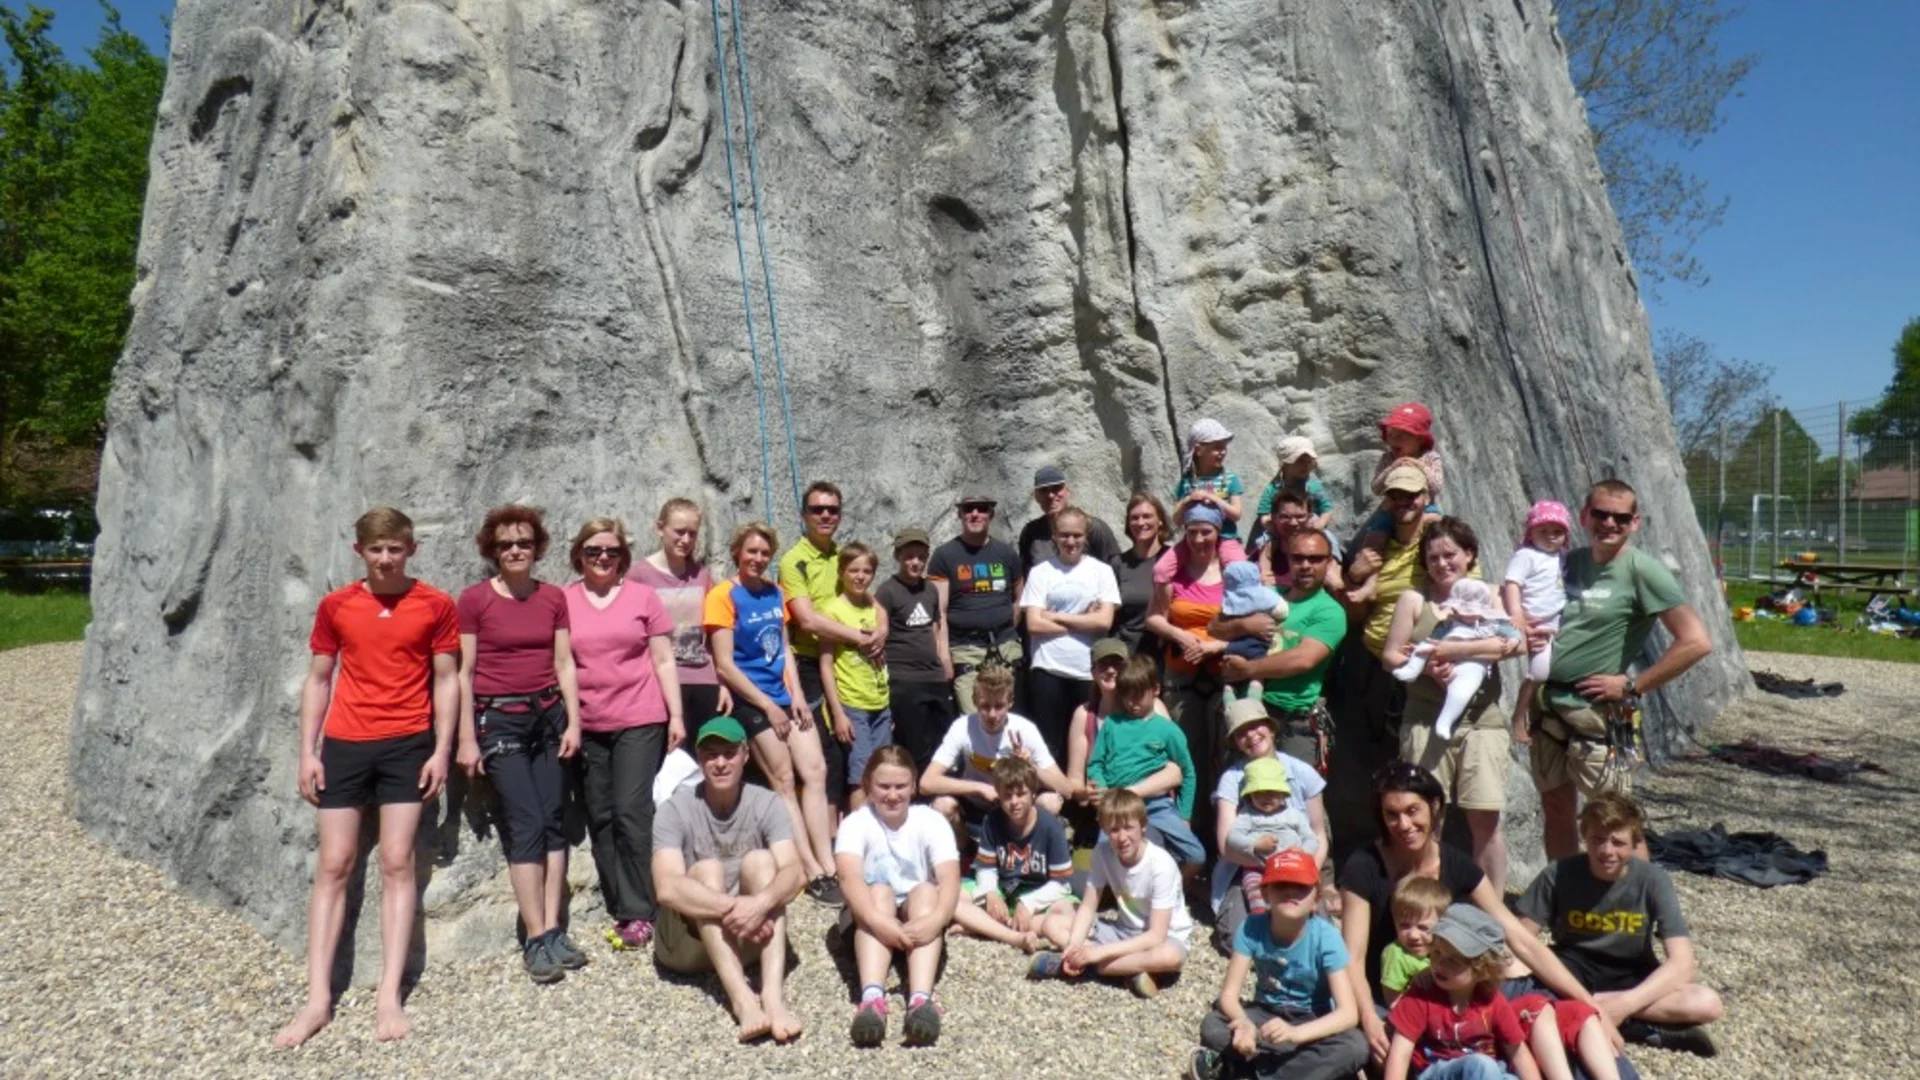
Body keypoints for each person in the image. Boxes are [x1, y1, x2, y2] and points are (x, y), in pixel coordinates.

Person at [274, 508, 459, 1048]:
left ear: (410, 550)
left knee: (399, 862)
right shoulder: (337, 606)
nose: (385, 558)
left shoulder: (435, 604)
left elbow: (448, 680)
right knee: (334, 864)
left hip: (408, 744)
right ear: (360, 551)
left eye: (395, 549)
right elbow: (318, 679)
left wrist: (441, 750)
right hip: (345, 745)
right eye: (376, 549)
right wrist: (307, 752)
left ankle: (388, 995)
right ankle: (316, 1000)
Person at [1338, 763, 1619, 1072]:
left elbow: (1517, 935)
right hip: (1397, 993)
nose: (1403, 824)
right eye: (1392, 814)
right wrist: (1368, 1018)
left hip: (1459, 986)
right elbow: (1352, 957)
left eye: (1412, 810)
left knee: (1565, 1010)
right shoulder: (1364, 866)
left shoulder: (1455, 863)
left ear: (1434, 807)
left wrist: (1591, 1004)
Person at [1528, 480, 1713, 860]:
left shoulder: (1642, 571)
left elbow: (1696, 641)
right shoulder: (1567, 563)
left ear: (1635, 522)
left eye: (1620, 517)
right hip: (1550, 707)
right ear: (1584, 516)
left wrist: (1633, 686)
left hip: (1600, 714)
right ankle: (1566, 900)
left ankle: (1634, 909)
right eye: (1600, 514)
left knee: (1616, 820)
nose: (1609, 523)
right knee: (1557, 810)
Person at [454, 504, 584, 983]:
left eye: (524, 543)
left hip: (548, 716)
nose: (515, 551)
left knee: (554, 820)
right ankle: (534, 937)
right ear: (492, 549)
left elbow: (565, 663)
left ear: (537, 547)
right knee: (526, 821)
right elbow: (464, 674)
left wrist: (574, 722)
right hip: (500, 721)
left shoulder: (552, 598)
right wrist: (467, 737)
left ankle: (552, 929)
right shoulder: (474, 601)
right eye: (506, 543)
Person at [1514, 793, 1724, 1058]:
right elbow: (1519, 940)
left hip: (1630, 972)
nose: (1607, 851)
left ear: (1635, 843)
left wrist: (1625, 1004)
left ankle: (1593, 1012)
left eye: (1618, 842)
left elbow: (1682, 961)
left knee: (1707, 1003)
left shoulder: (1653, 880)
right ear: (1584, 837)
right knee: (1512, 980)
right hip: (1572, 967)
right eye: (1598, 840)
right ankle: (1634, 1025)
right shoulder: (1559, 873)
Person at [704, 522, 840, 905]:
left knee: (815, 771)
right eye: (751, 551)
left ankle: (829, 862)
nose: (758, 559)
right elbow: (725, 665)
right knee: (783, 779)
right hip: (752, 702)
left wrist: (795, 695)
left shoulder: (775, 593)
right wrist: (767, 705)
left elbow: (783, 651)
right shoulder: (723, 596)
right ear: (737, 553)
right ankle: (810, 868)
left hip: (783, 696)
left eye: (764, 553)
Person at [563, 516, 684, 951]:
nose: (602, 558)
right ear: (580, 554)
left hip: (640, 717)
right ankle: (621, 903)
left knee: (632, 811)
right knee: (601, 815)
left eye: (611, 551)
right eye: (594, 550)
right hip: (590, 724)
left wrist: (676, 715)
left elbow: (664, 660)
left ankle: (643, 908)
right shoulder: (565, 601)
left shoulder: (642, 597)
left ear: (622, 557)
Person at [651, 717, 804, 1044]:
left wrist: (760, 903)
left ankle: (773, 997)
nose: (720, 763)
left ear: (745, 755)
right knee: (707, 871)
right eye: (710, 755)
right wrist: (738, 909)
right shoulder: (674, 810)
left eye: (729, 753)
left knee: (763, 863)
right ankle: (743, 1000)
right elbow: (666, 887)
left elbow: (795, 872)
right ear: (699, 758)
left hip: (749, 940)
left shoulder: (766, 802)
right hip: (688, 945)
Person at [1329, 460, 1437, 858]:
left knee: (1417, 764)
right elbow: (1357, 614)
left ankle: (1422, 860)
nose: (1404, 502)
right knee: (1376, 761)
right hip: (1375, 668)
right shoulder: (1376, 547)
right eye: (1396, 495)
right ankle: (1385, 855)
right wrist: (1355, 577)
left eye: (1411, 495)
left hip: (1424, 669)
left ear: (1426, 497)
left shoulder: (1437, 542)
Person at [1189, 849, 1368, 1080]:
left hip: (1310, 1019)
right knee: (1213, 1024)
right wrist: (1243, 1023)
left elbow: (1348, 1013)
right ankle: (1286, 1069)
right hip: (1264, 1014)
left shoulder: (1326, 937)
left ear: (1316, 900)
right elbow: (1228, 996)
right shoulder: (1252, 927)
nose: (1291, 892)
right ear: (1265, 893)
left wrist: (1295, 1034)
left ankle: (1248, 1070)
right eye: (1281, 884)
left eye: (1301, 887)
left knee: (1355, 1046)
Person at [834, 745, 962, 1048]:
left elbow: (950, 878)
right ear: (868, 786)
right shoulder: (856, 823)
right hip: (869, 916)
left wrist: (937, 919)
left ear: (913, 786)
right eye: (884, 786)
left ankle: (920, 1000)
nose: (892, 795)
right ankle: (872, 999)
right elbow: (849, 879)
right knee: (877, 891)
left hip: (917, 912)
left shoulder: (931, 821)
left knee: (928, 891)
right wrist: (880, 922)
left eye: (900, 786)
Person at [1030, 789, 1192, 998]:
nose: (1122, 837)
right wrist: (1075, 945)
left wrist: (1097, 953)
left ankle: (1095, 967)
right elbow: (1089, 906)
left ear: (1143, 826)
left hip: (1164, 938)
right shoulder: (1103, 852)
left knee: (1171, 957)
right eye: (1114, 830)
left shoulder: (1161, 864)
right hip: (1125, 931)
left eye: (1128, 828)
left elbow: (1156, 935)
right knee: (1053, 924)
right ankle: (1125, 971)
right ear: (1105, 830)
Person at [778, 481, 880, 803]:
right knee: (823, 754)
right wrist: (861, 638)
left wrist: (883, 631)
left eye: (832, 510)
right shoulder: (794, 561)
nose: (825, 515)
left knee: (851, 750)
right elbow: (807, 620)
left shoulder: (842, 556)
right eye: (817, 509)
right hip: (808, 664)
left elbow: (870, 600)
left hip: (845, 664)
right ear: (803, 515)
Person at [1219, 530, 1346, 771]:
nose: (1306, 565)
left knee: (1295, 799)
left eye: (1315, 559)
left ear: (1329, 563)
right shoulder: (1269, 596)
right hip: (1247, 716)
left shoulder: (1330, 611)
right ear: (1287, 560)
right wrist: (1243, 625)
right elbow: (1215, 627)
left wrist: (1246, 669)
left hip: (1293, 722)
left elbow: (1303, 659)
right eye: (1298, 558)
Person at [1145, 502, 1233, 841]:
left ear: (1217, 533)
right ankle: (1190, 836)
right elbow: (1155, 616)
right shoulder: (1174, 573)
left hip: (1222, 670)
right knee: (1186, 758)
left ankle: (1222, 837)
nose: (1199, 539)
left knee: (1224, 755)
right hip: (1181, 676)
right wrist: (1181, 635)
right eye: (1192, 532)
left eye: (1206, 531)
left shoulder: (1231, 571)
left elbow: (1252, 624)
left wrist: (1212, 645)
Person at [1209, 698, 1331, 942]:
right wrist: (1268, 863)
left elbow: (1318, 834)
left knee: (1317, 933)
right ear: (1235, 742)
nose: (1251, 735)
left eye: (1255, 726)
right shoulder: (1232, 779)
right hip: (1247, 868)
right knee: (1241, 938)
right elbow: (1226, 846)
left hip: (1298, 866)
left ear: (1271, 727)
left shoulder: (1301, 772)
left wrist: (1303, 870)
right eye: (1241, 733)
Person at [1382, 904, 1543, 1080]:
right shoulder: (1422, 994)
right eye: (1436, 953)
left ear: (1483, 970)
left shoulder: (1492, 1002)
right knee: (1481, 1065)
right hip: (1437, 1072)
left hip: (1485, 1073)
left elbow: (1518, 1053)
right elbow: (1400, 1052)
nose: (1439, 964)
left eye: (1453, 960)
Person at [922, 664, 1072, 840]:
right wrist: (978, 788)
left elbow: (1066, 789)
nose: (992, 714)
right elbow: (926, 783)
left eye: (999, 706)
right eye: (985, 706)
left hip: (1015, 807)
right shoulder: (962, 727)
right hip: (975, 806)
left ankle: (1029, 852)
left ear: (1010, 702)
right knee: (942, 805)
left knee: (1050, 803)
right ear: (975, 702)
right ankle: (965, 853)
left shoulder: (1025, 730)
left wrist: (1030, 766)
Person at [1020, 505, 1121, 761]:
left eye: (1077, 535)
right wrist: (1084, 618)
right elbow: (1033, 624)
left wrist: (1053, 615)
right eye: (1064, 535)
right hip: (1048, 668)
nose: (1070, 541)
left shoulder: (1102, 572)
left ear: (1086, 537)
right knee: (1050, 745)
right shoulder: (1041, 573)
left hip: (1087, 670)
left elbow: (1104, 622)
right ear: (1054, 536)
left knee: (1089, 743)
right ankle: (1053, 799)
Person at [949, 756, 1075, 953]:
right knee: (952, 896)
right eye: (1007, 796)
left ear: (1033, 793)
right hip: (1003, 891)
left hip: (1038, 893)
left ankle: (984, 926)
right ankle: (1012, 933)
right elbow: (987, 868)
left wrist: (1028, 903)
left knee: (1065, 912)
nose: (1014, 802)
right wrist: (990, 893)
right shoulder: (992, 821)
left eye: (1021, 794)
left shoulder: (1051, 826)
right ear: (999, 795)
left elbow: (1061, 883)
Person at [1087, 656, 1204, 867]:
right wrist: (1103, 790)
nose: (1132, 703)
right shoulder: (1112, 725)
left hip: (1157, 805)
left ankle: (1175, 888)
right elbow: (1095, 764)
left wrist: (1184, 815)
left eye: (1138, 695)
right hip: (1118, 804)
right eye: (1126, 696)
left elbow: (1188, 772)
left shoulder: (1167, 729)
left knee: (1196, 856)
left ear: (1155, 689)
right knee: (1104, 857)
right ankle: (1116, 894)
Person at [632, 498, 731, 727]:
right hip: (660, 681)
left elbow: (716, 637)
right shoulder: (639, 576)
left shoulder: (703, 576)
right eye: (679, 531)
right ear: (659, 528)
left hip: (703, 680)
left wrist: (722, 684)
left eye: (692, 533)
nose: (685, 540)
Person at [1390, 577, 1521, 741]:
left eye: (1472, 611)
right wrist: (1420, 652)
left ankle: (1446, 720)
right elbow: (1433, 639)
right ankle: (1412, 669)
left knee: (1463, 689)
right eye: (1462, 611)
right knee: (1424, 647)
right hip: (1442, 658)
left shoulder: (1493, 624)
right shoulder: (1448, 623)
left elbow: (1515, 634)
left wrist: (1512, 641)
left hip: (1471, 665)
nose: (1467, 615)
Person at [929, 490, 1024, 714]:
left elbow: (1019, 597)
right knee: (974, 720)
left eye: (981, 509)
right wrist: (943, 655)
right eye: (968, 510)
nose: (974, 514)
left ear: (990, 515)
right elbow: (939, 611)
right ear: (959, 515)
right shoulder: (945, 556)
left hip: (1005, 650)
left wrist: (1006, 628)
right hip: (966, 651)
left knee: (1005, 717)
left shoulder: (1006, 553)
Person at [875, 526, 955, 772]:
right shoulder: (887, 591)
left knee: (944, 745)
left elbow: (935, 627)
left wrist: (945, 660)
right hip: (904, 680)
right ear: (897, 556)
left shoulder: (930, 589)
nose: (916, 562)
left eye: (921, 556)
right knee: (915, 748)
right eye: (909, 556)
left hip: (933, 677)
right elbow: (880, 634)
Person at [819, 542, 892, 808]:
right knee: (860, 775)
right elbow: (826, 664)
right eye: (853, 570)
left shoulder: (874, 608)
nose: (860, 576)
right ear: (841, 572)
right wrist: (838, 713)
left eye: (866, 571)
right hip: (853, 704)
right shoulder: (832, 610)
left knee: (883, 771)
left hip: (879, 702)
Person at [1221, 758, 1317, 921]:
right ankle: (1261, 921)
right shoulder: (1248, 815)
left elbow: (1311, 839)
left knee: (1300, 892)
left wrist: (1302, 853)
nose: (1265, 798)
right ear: (1250, 795)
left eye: (1271, 792)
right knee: (1255, 891)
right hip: (1258, 868)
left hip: (1292, 865)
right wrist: (1255, 845)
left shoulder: (1293, 814)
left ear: (1283, 794)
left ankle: (1298, 921)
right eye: (1258, 793)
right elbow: (1232, 837)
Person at [1501, 501, 1572, 692]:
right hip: (1534, 621)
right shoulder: (1526, 555)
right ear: (1531, 532)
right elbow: (1513, 583)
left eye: (1557, 532)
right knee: (1539, 672)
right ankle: (1526, 703)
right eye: (1543, 531)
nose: (1550, 537)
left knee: (1563, 666)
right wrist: (1516, 612)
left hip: (1559, 619)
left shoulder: (1563, 556)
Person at [1020, 464, 1123, 569]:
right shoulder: (1031, 532)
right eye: (1044, 490)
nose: (1050, 495)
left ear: (1067, 492)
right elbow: (1027, 574)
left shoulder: (1093, 527)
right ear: (1037, 497)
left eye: (1056, 488)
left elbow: (1116, 568)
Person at [1217, 560, 1289, 700]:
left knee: (1230, 672)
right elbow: (1282, 611)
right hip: (1258, 644)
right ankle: (1254, 694)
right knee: (1258, 672)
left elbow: (1219, 619)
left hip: (1234, 645)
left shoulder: (1230, 600)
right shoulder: (1266, 596)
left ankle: (1228, 691)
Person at [1112, 493, 1172, 657]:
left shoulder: (1174, 559)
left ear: (1160, 521)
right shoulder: (1118, 563)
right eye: (1134, 518)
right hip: (1126, 655)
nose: (1140, 523)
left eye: (1147, 516)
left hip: (1166, 655)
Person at [1250, 435, 1336, 550]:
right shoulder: (1273, 489)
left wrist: (1318, 526)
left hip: (1310, 530)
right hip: (1282, 530)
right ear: (1285, 464)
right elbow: (1264, 515)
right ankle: (1264, 565)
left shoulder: (1313, 486)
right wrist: (1275, 530)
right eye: (1300, 461)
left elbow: (1326, 509)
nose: (1305, 465)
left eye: (1308, 461)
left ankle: (1335, 564)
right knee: (1264, 541)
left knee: (1329, 539)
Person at [1379, 875, 1451, 1006]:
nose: (1413, 935)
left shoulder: (1446, 948)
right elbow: (1393, 1001)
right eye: (1404, 926)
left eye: (1423, 928)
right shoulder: (1396, 954)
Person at [1173, 417, 1248, 542]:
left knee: (1238, 562)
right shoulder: (1186, 482)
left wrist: (1212, 497)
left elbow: (1236, 514)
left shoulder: (1230, 479)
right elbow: (1176, 520)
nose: (1223, 452)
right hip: (1193, 542)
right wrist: (1187, 500)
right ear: (1198, 450)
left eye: (1224, 447)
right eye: (1217, 447)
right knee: (1166, 562)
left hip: (1225, 539)